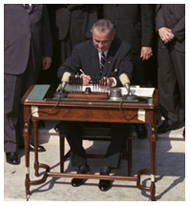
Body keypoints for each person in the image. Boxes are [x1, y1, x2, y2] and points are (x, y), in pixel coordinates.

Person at [57, 19, 133, 192]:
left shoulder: (124, 48)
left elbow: (126, 72)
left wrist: (112, 81)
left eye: (104, 42)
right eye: (96, 41)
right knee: (66, 119)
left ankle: (107, 168)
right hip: (86, 106)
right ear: (91, 33)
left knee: (124, 119)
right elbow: (63, 70)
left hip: (111, 106)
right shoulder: (81, 49)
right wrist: (75, 77)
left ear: (113, 36)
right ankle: (81, 165)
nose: (99, 45)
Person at [4, 4, 53, 165]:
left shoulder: (40, 4)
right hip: (10, 57)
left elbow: (45, 27)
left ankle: (24, 140)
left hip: (33, 58)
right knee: (9, 106)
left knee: (27, 104)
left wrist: (47, 53)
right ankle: (10, 146)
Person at [103, 4, 155, 139]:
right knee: (112, 81)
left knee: (137, 82)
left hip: (134, 42)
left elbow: (147, 18)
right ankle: (114, 120)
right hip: (111, 44)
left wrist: (147, 43)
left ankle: (139, 122)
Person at [155, 4, 185, 134]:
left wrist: (176, 31)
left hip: (183, 37)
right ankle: (170, 119)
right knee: (166, 81)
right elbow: (159, 7)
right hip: (164, 39)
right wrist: (160, 27)